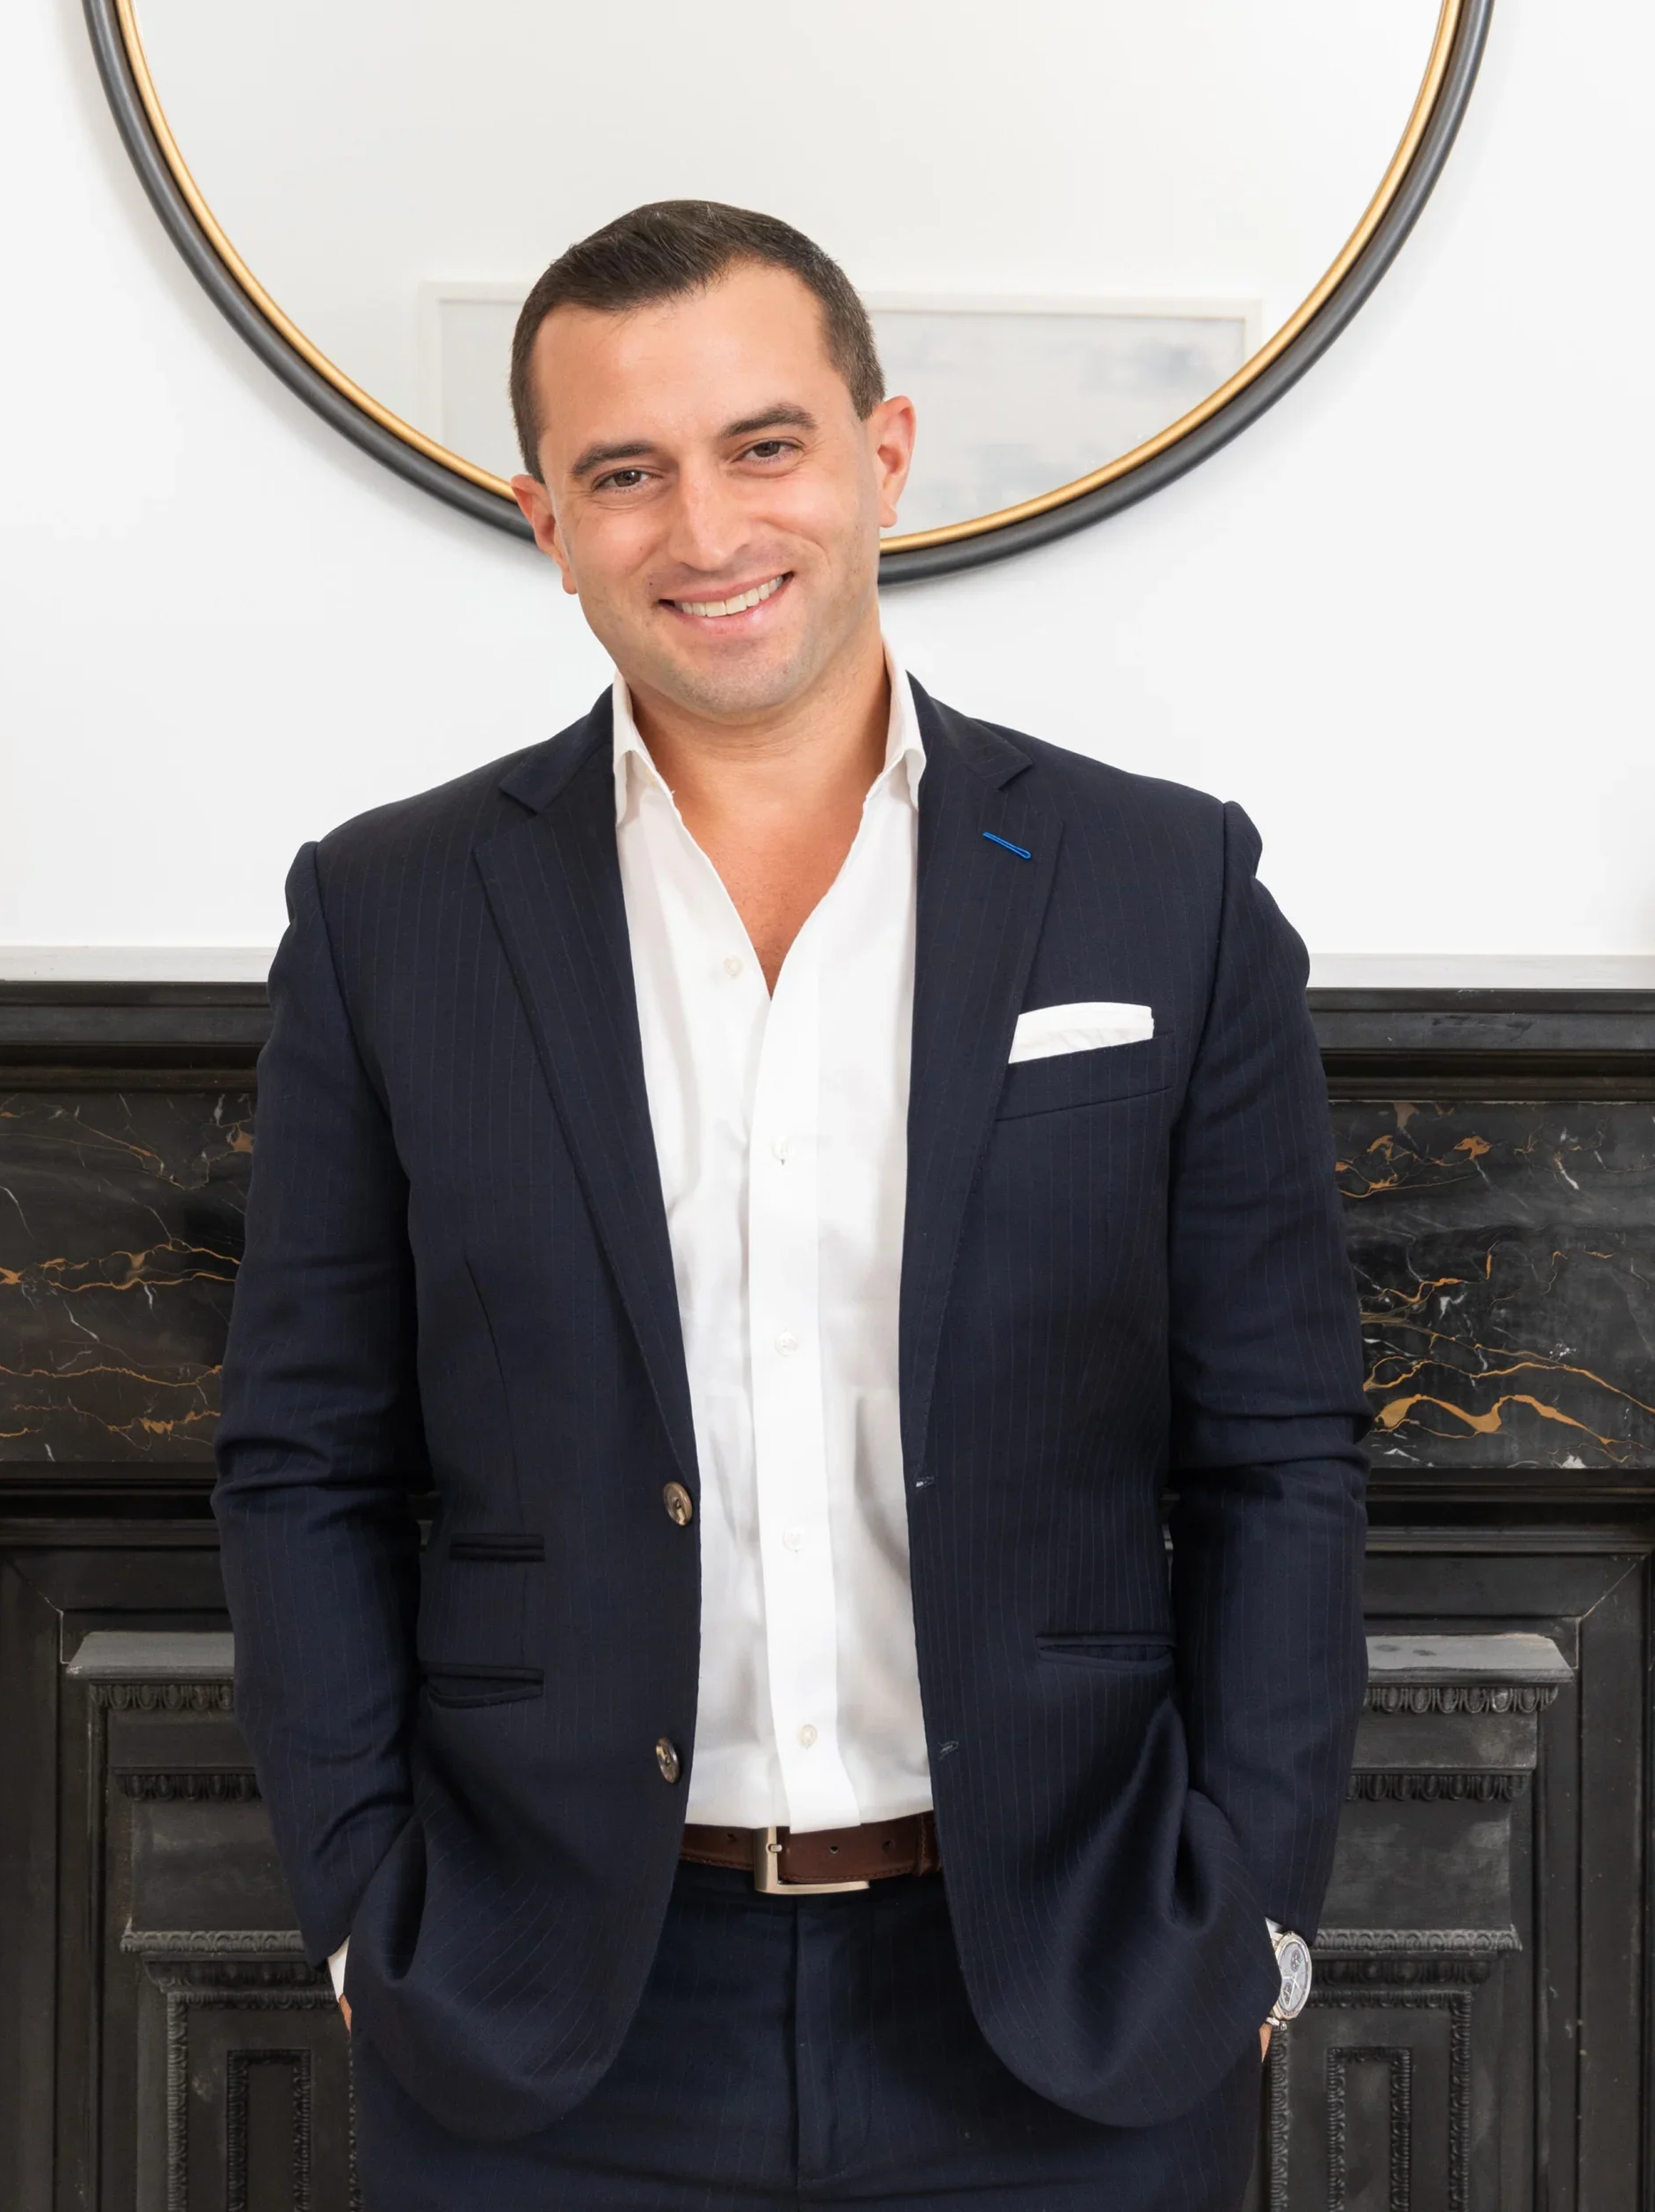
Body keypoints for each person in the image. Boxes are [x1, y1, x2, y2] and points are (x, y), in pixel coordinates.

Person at [213, 199, 1368, 2210]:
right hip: (543, 2020)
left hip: (1072, 1997)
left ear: (882, 454)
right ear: (545, 518)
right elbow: (303, 1458)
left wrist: (1246, 1916)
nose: (707, 528)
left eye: (765, 446)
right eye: (625, 472)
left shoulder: (1161, 887)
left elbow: (1281, 1451)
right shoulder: (388, 914)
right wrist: (362, 1915)